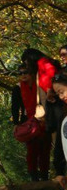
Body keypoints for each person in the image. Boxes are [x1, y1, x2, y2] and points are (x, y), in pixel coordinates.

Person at [19, 49, 57, 180]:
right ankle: (35, 175)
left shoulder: (43, 63)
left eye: (26, 65)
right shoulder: (21, 86)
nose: (24, 72)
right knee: (33, 149)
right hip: (34, 119)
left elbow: (51, 74)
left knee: (46, 147)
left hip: (46, 112)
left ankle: (48, 175)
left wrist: (50, 90)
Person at [49, 72, 67, 190]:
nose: (62, 96)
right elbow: (60, 147)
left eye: (62, 91)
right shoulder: (64, 115)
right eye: (59, 94)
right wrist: (60, 171)